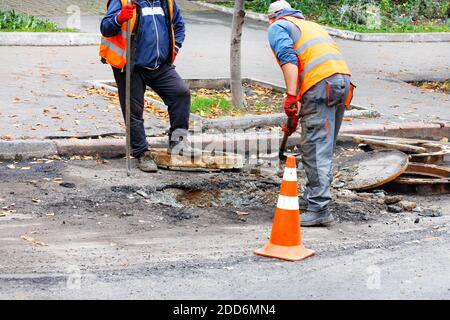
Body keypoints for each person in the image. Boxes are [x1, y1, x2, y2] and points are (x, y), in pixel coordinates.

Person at [267, 0, 355, 226]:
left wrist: (289, 96)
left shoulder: (278, 27)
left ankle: (319, 208)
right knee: (324, 146)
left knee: (316, 147)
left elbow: (289, 59)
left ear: (271, 17)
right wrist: (294, 115)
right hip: (341, 82)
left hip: (322, 85)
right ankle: (313, 199)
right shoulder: (310, 26)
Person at [100, 0, 197, 172]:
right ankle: (141, 153)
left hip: (160, 66)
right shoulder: (124, 1)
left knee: (180, 94)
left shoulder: (166, 2)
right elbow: (106, 28)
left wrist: (174, 48)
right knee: (134, 110)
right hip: (130, 66)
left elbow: (179, 25)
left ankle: (178, 143)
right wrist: (120, 18)